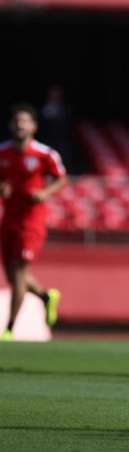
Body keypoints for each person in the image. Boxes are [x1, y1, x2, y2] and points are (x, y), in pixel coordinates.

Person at [0, 104, 67, 341]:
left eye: (25, 121)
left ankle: (9, 328)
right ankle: (45, 296)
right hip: (9, 219)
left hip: (31, 221)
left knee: (19, 274)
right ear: (11, 125)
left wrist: (45, 193)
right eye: (17, 121)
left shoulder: (44, 154)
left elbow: (61, 178)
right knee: (11, 275)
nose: (20, 125)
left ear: (34, 126)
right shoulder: (3, 153)